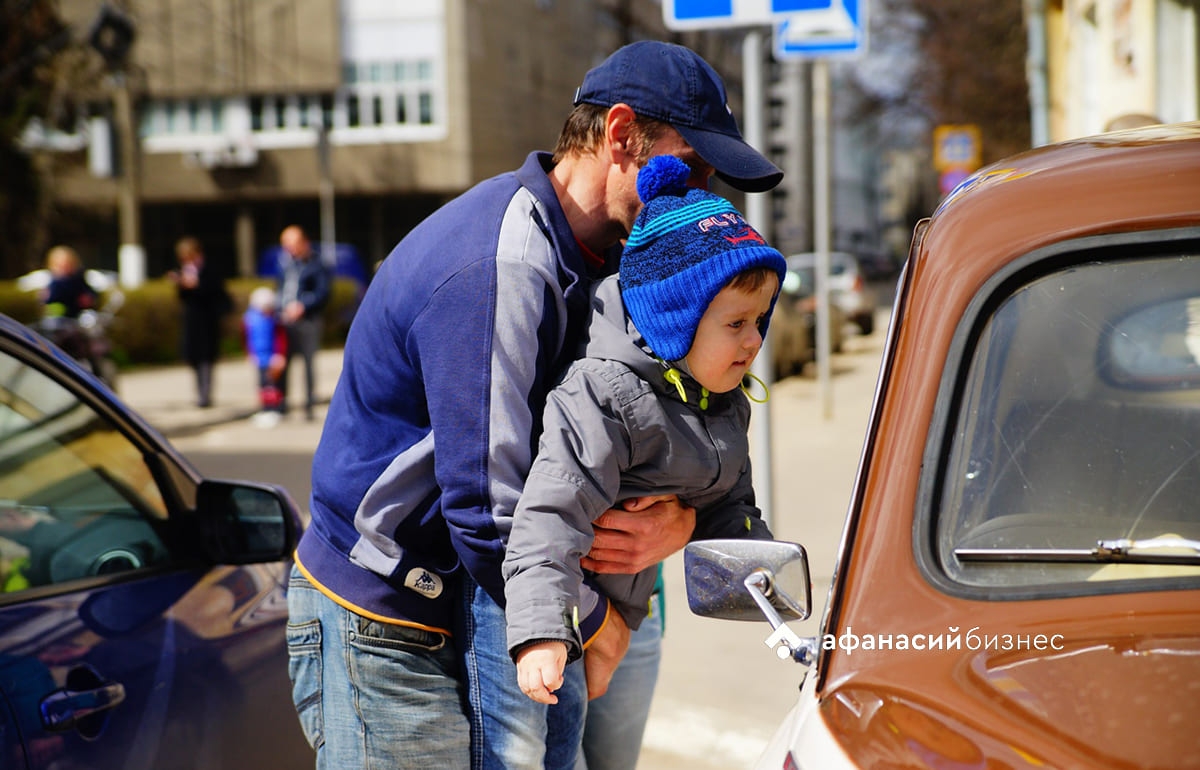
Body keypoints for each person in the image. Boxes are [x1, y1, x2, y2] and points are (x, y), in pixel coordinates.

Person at [286, 40, 783, 770]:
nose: (703, 195)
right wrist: (599, 623)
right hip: (389, 621)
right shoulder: (505, 263)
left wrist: (680, 525)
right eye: (692, 166)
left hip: (503, 602)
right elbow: (491, 511)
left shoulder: (620, 257)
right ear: (620, 136)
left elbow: (654, 431)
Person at [504, 154, 781, 706]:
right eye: (735, 324)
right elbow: (550, 513)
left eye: (759, 320)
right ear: (673, 320)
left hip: (631, 614)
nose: (754, 341)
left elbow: (731, 506)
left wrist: (763, 578)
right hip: (568, 624)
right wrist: (543, 632)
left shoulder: (724, 400)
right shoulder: (603, 396)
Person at [276, 225, 331, 421]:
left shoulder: (316, 264)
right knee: (283, 362)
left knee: (308, 363)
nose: (288, 249)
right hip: (285, 319)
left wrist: (303, 306)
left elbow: (323, 292)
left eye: (291, 244)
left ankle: (309, 403)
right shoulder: (285, 264)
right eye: (285, 245)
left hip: (308, 320)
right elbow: (280, 289)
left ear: (303, 243)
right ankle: (281, 404)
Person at [169, 236, 231, 408]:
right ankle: (199, 392)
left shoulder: (209, 269)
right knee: (194, 358)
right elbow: (182, 298)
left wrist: (197, 285)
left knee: (207, 359)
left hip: (208, 320)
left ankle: (205, 395)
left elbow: (219, 293)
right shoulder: (184, 270)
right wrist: (181, 284)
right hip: (192, 320)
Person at [242, 286, 288, 429]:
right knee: (262, 385)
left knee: (272, 385)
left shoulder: (274, 320)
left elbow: (280, 339)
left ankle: (274, 409)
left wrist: (280, 355)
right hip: (259, 357)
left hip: (272, 358)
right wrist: (249, 354)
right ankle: (265, 408)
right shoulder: (250, 319)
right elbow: (246, 338)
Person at [40, 245, 96, 319]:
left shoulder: (78, 280)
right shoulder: (55, 283)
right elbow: (49, 300)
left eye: (67, 266)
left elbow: (89, 292)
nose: (64, 270)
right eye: (60, 266)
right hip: (60, 317)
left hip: (77, 314)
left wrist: (89, 297)